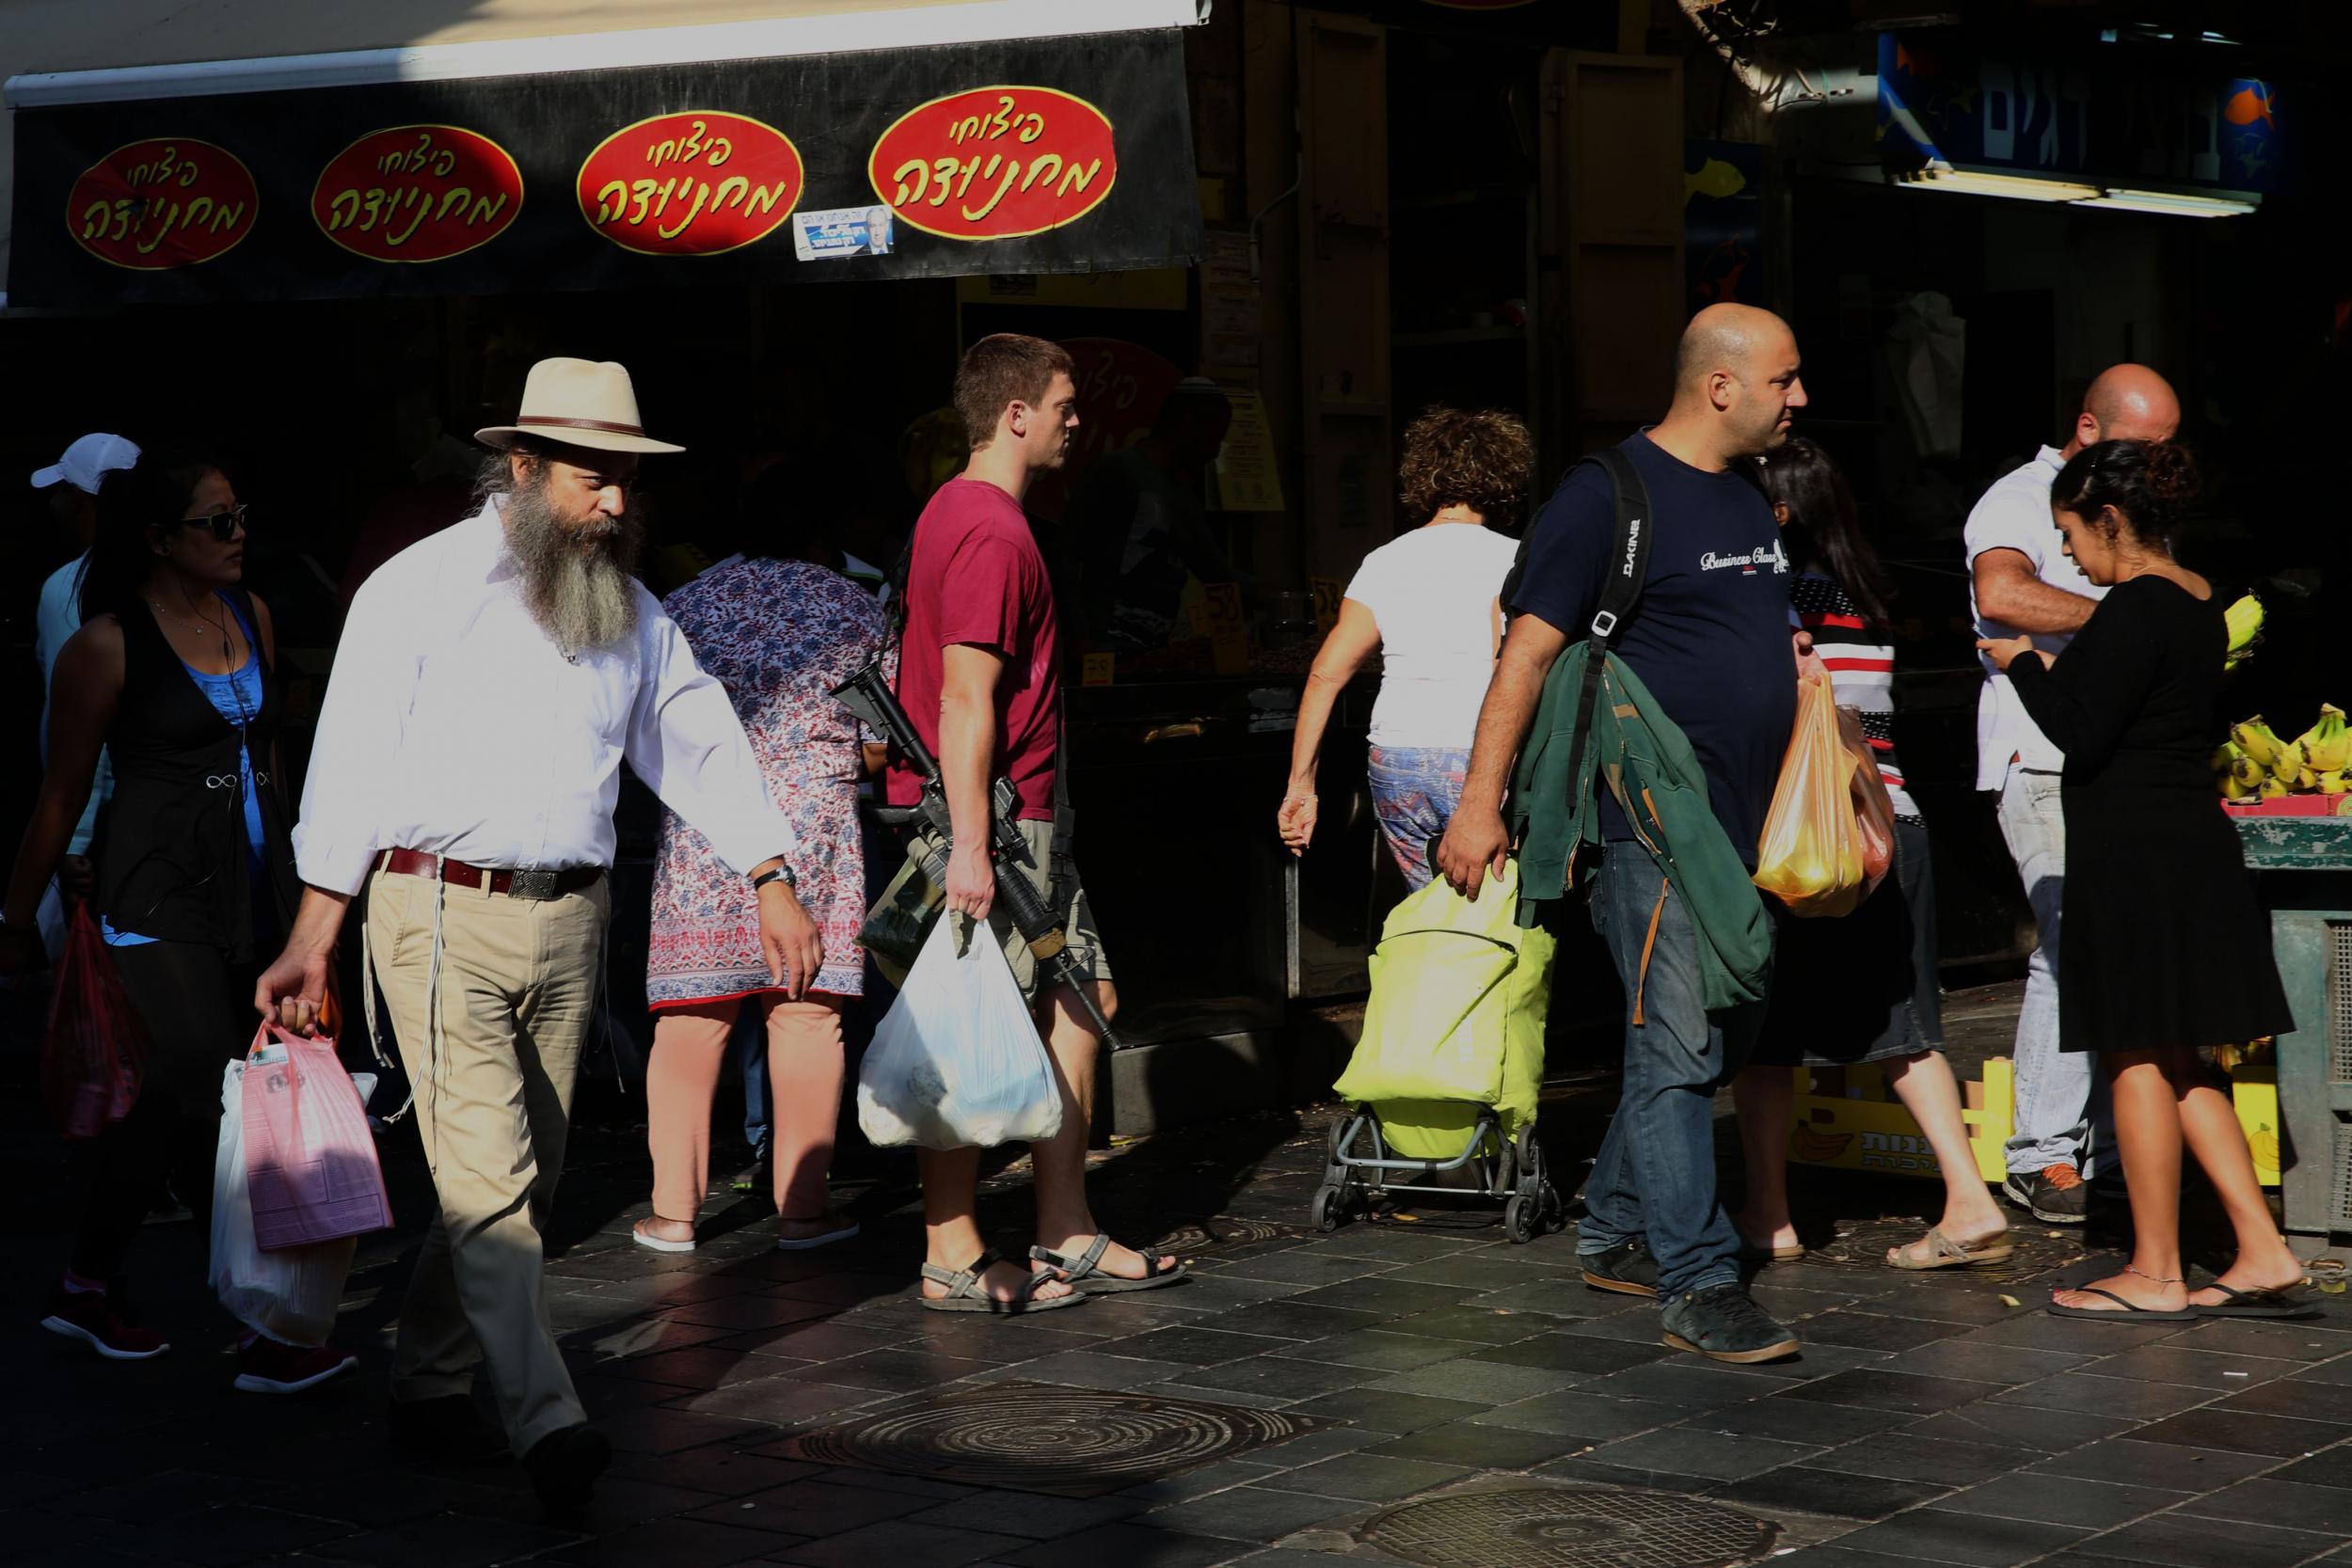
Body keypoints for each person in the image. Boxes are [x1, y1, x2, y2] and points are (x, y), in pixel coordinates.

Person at [251, 358, 822, 1513]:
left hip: (572, 921)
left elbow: (692, 733)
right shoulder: (415, 589)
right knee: (491, 1184)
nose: (616, 501)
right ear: (520, 468)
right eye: (592, 478)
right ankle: (548, 1418)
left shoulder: (627, 604)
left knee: (523, 1181)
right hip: (438, 910)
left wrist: (771, 870)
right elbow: (350, 759)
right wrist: (317, 927)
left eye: (626, 480)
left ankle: (429, 1380)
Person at [1437, 303, 1807, 1364]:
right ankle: (1696, 1279)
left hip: (1746, 824)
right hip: (1650, 822)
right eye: (1783, 379)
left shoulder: (1744, 496)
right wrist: (1479, 802)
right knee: (1681, 1043)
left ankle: (1610, 1225)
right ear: (1721, 385)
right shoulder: (1607, 497)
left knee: (1710, 1033)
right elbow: (1522, 654)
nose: (1799, 398)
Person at [0, 454, 358, 1394]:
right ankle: (262, 1324)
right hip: (152, 886)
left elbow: (268, 763)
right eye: (216, 520)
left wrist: (301, 898)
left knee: (171, 1091)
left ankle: (85, 1280)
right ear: (158, 538)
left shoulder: (254, 616)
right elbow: (60, 788)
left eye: (241, 514)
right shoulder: (106, 645)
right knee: (206, 1082)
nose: (239, 532)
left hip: (250, 880)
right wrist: (13, 913)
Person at [1979, 439, 2304, 1321]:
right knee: (2183, 1058)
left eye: (2072, 535)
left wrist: (2020, 665)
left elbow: (2080, 734)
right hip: (2191, 844)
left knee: (2132, 1055)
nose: (2072, 557)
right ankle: (2263, 1249)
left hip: (2133, 855)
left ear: (2110, 520)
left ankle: (2156, 1270)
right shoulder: (2199, 601)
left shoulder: (2133, 608)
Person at [891, 333, 1181, 1312]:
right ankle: (952, 1248)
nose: (1075, 416)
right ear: (1013, 413)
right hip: (1001, 823)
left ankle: (1065, 1226)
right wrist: (972, 843)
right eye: (1062, 402)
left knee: (1079, 994)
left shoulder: (963, 513)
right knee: (968, 1017)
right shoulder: (989, 529)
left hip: (1013, 816)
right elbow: (966, 697)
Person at [1730, 438, 2010, 1271]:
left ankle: (1769, 1214)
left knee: (1764, 1036)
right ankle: (1968, 1197)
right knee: (1906, 1030)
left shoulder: (1781, 604)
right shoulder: (1866, 599)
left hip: (1807, 839)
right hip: (1896, 827)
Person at [636, 460, 891, 1254]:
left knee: (691, 1021)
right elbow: (881, 744)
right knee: (808, 1015)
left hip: (707, 825)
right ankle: (804, 1211)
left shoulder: (682, 605)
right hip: (813, 828)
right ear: (821, 533)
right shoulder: (854, 607)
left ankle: (674, 1214)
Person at [1968, 364, 2180, 1225]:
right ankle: (2043, 1153)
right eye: (2148, 447)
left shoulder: (2141, 508)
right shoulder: (2018, 497)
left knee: (2120, 941)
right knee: (2070, 942)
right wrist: (2133, 623)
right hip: (2042, 750)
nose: (2164, 466)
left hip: (2117, 752)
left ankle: (2112, 1142)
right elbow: (2001, 594)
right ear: (2090, 431)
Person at [1278, 407, 1531, 888]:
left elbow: (1325, 675)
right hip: (1480, 757)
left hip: (1396, 757)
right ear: (1504, 477)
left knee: (1428, 909)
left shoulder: (1384, 560)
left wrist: (1301, 787)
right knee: (1494, 913)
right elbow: (1512, 667)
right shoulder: (1515, 559)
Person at [28, 433, 140, 953]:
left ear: (85, 501)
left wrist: (72, 841)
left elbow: (75, 726)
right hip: (173, 824)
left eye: (63, 490)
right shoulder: (174, 580)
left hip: (103, 839)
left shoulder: (70, 588)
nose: (54, 503)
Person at [1065, 378, 1241, 650]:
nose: (1215, 452)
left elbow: (1214, 569)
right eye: (1214, 438)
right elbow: (1065, 557)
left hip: (1152, 654)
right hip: (1104, 648)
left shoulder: (1182, 496)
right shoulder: (1118, 471)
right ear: (1187, 424)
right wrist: (1081, 638)